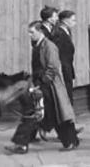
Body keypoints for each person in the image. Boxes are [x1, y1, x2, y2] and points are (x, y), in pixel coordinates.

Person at [5, 22, 79, 154]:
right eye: (29, 32)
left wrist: (40, 84)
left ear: (41, 32)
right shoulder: (37, 46)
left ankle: (71, 141)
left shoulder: (49, 47)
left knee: (54, 114)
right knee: (35, 114)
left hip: (50, 88)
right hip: (41, 85)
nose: (29, 35)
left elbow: (52, 69)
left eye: (32, 32)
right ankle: (21, 144)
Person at [54, 10, 77, 104]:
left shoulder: (68, 32)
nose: (75, 23)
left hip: (68, 64)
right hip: (63, 65)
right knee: (66, 90)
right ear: (65, 21)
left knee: (69, 89)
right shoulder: (59, 33)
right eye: (73, 20)